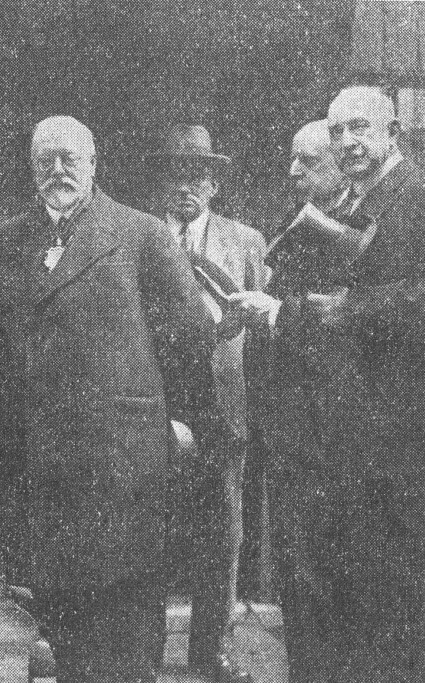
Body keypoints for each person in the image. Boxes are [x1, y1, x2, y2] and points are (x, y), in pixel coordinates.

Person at [0, 115, 237, 683]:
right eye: (45, 159)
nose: (58, 169)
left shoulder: (141, 234)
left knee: (126, 630)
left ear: (94, 165)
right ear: (32, 169)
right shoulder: (9, 239)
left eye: (70, 157)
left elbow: (189, 335)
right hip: (44, 470)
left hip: (123, 463)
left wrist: (189, 424)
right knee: (64, 633)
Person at [234, 85, 425, 683]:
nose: (349, 143)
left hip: (392, 448)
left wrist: (295, 314)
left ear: (392, 131)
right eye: (339, 131)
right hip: (351, 446)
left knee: (384, 615)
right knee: (350, 613)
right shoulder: (367, 200)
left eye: (361, 129)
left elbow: (412, 304)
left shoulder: (412, 196)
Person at [230, 119, 346, 683]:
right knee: (299, 575)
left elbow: (339, 329)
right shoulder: (302, 225)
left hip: (328, 433)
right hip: (291, 429)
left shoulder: (350, 232)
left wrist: (272, 311)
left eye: (307, 161)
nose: (293, 172)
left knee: (322, 577)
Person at [149, 124, 266, 683]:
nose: (186, 186)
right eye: (175, 173)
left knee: (223, 532)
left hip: (223, 403)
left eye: (197, 175)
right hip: (156, 399)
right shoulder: (142, 237)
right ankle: (139, 645)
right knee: (147, 523)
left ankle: (210, 649)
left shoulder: (245, 242)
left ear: (214, 184)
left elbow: (264, 328)